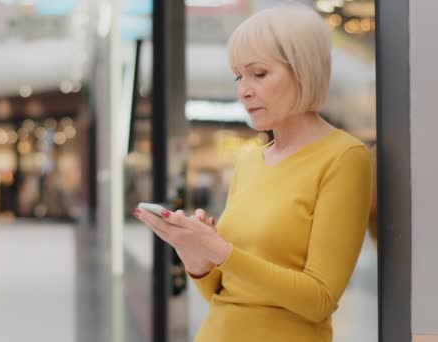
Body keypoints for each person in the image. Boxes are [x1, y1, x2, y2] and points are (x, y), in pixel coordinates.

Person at [133, 3, 373, 342]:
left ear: (302, 72)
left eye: (258, 74)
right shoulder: (249, 162)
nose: (243, 90)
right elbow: (224, 294)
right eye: (239, 76)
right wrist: (195, 256)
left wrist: (221, 252)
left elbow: (319, 299)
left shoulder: (344, 157)